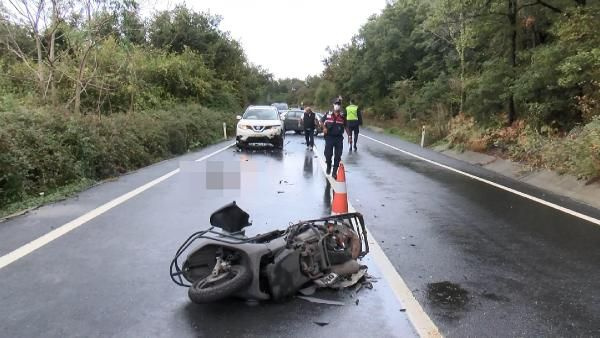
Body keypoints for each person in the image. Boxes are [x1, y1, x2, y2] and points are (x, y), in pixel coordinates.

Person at [320, 105, 347, 179]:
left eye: (338, 105)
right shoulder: (328, 115)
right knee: (328, 154)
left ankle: (334, 172)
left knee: (338, 155)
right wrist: (324, 128)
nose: (337, 106)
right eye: (336, 104)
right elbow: (321, 121)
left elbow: (346, 126)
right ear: (333, 107)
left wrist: (350, 137)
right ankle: (329, 165)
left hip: (339, 138)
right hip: (329, 137)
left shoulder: (342, 116)